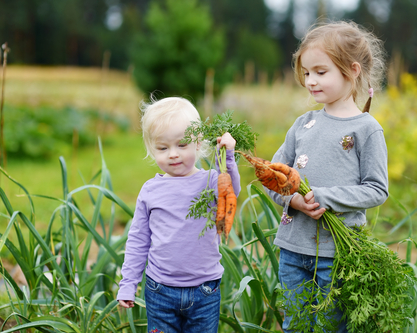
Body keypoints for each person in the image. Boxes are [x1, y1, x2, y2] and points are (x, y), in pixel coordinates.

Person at [266, 21, 388, 332]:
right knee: (295, 324)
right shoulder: (303, 124)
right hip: (293, 249)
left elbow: (376, 189)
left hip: (337, 254)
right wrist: (293, 200)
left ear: (352, 70)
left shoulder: (366, 129)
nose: (310, 81)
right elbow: (273, 177)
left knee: (333, 326)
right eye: (306, 73)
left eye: (321, 72)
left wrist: (324, 197)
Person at [116, 97, 240, 333]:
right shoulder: (150, 191)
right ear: (152, 149)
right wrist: (128, 284)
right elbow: (138, 240)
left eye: (182, 145)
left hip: (204, 290)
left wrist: (228, 157)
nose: (173, 154)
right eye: (163, 148)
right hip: (160, 290)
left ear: (198, 143)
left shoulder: (211, 181)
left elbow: (231, 191)